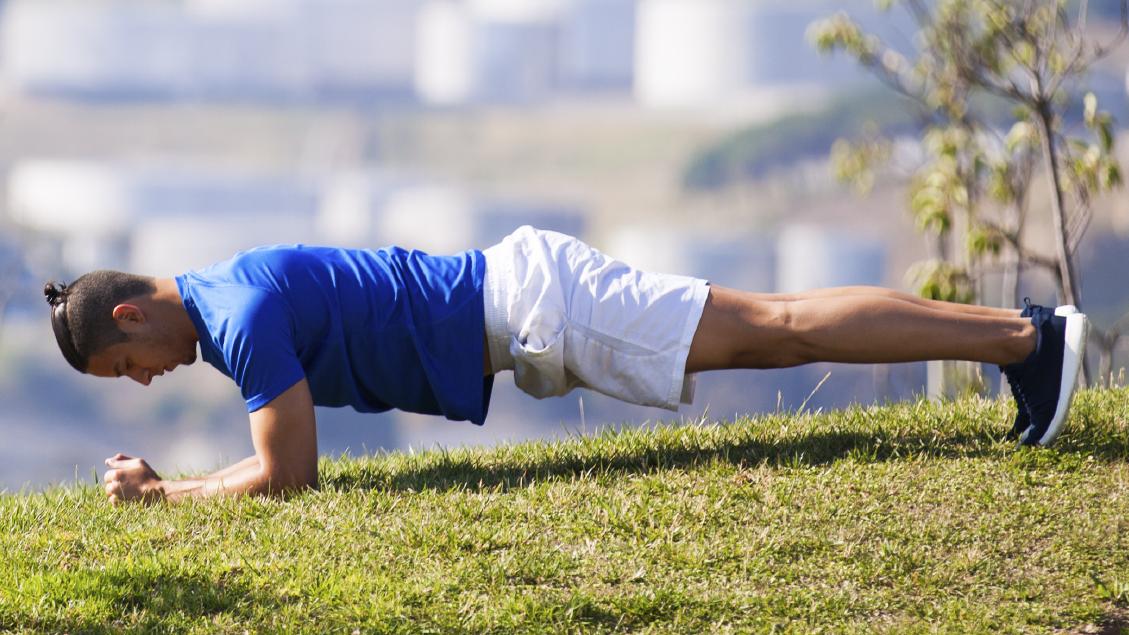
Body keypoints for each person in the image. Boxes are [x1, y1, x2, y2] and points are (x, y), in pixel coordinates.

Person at [43, 226, 1089, 504]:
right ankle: (1023, 337)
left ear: (132, 313)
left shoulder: (239, 313)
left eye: (123, 363)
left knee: (781, 325)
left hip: (538, 306)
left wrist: (166, 494)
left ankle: (1025, 340)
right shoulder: (228, 299)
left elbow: (291, 475)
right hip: (530, 304)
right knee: (776, 325)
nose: (141, 381)